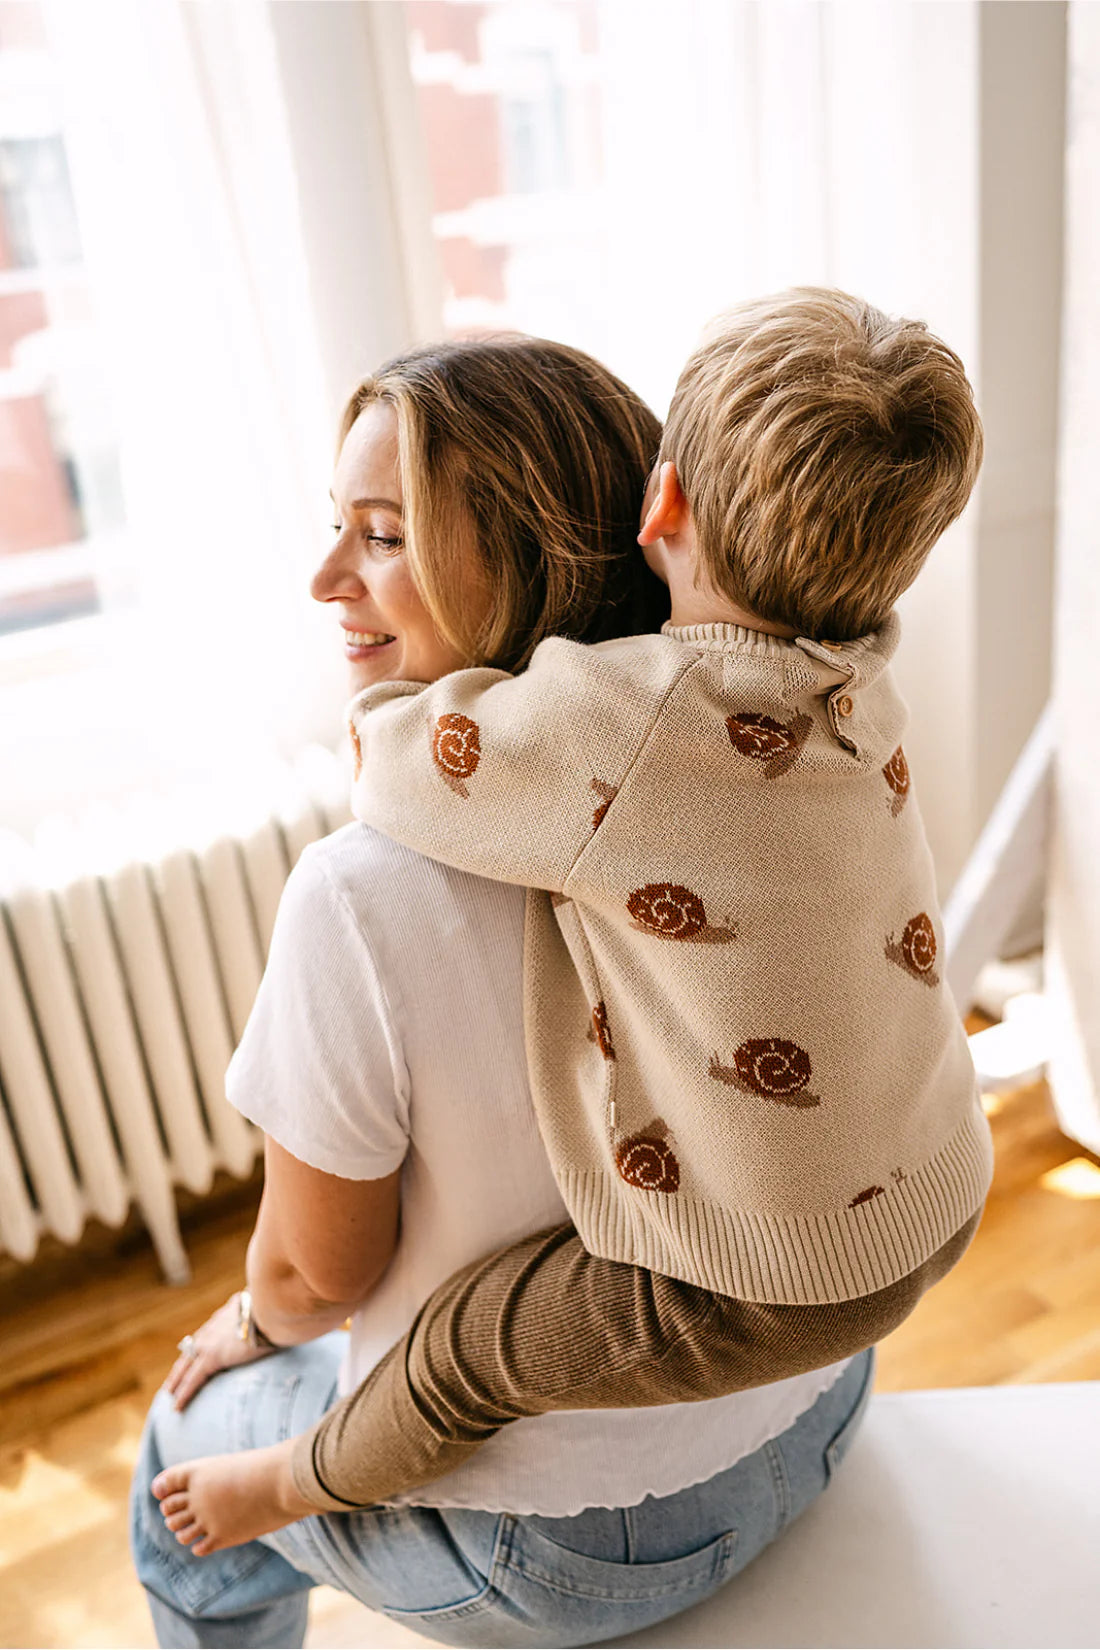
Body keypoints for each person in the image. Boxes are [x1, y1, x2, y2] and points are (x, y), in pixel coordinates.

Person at [149, 291, 991, 1555]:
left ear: (664, 510)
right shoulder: (853, 681)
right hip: (894, 1273)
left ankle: (286, 1487)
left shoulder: (552, 775)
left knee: (434, 1364)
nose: (326, 578)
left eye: (381, 537)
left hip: (664, 1425)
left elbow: (315, 1276)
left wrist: (251, 1332)